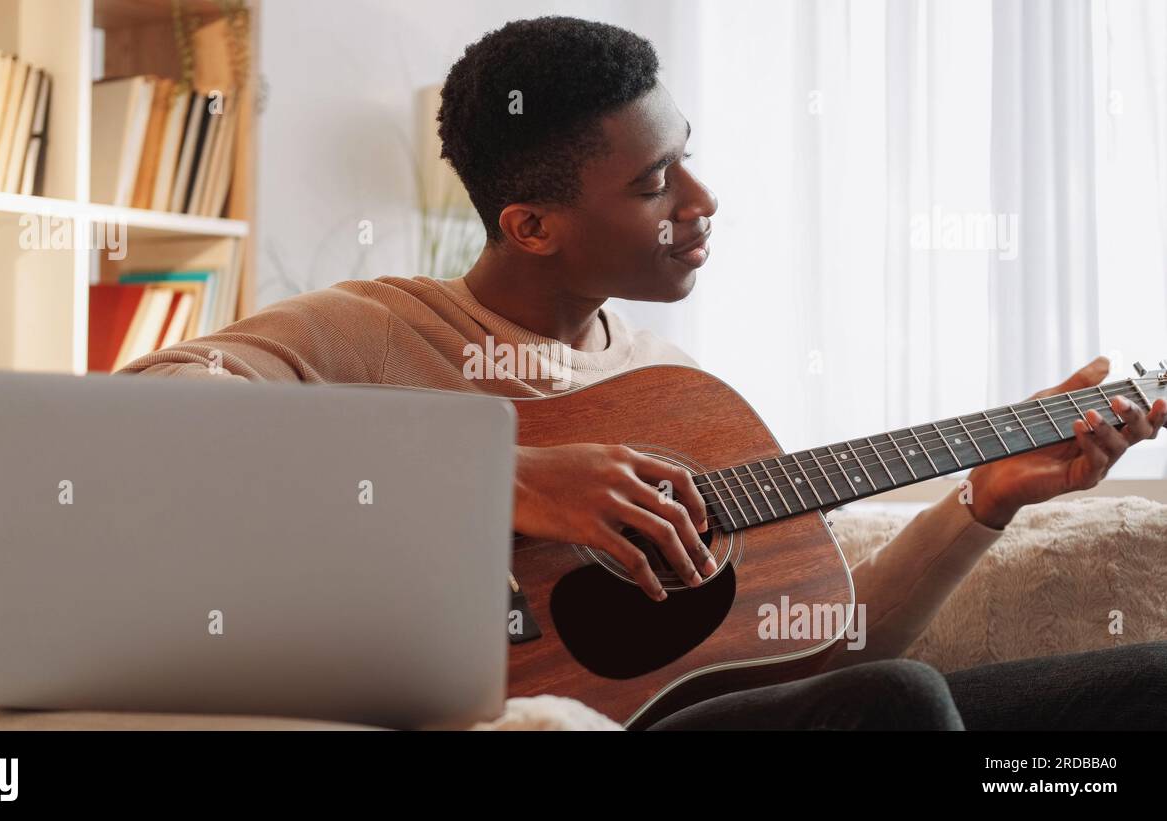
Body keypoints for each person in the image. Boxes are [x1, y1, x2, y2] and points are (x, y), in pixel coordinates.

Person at [122, 16, 1167, 730]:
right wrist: (502, 477)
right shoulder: (372, 330)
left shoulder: (676, 394)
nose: (702, 201)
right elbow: (139, 420)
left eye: (688, 156)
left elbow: (828, 653)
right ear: (531, 225)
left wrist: (983, 501)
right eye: (656, 181)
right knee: (899, 705)